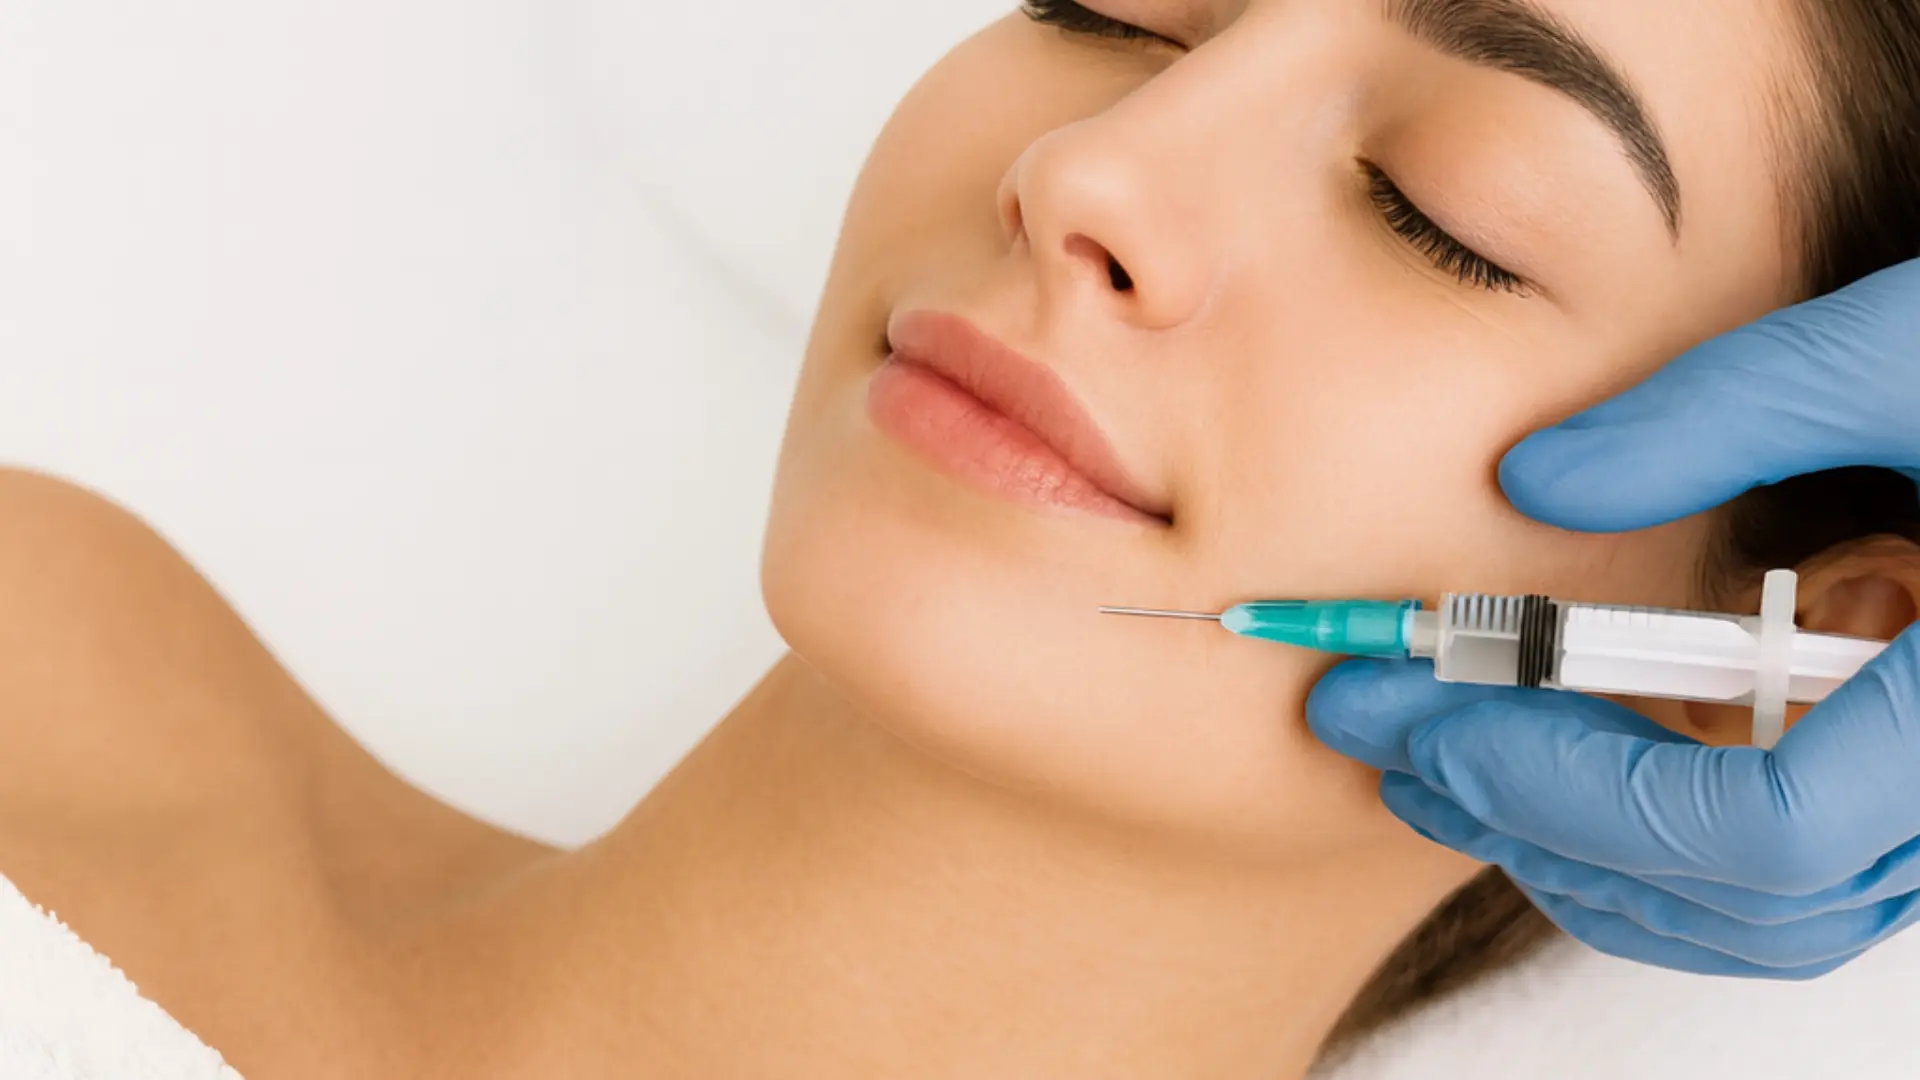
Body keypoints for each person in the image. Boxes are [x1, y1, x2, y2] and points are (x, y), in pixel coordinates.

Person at [2, 1, 1918, 1077]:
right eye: (1124, 11)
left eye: (1442, 213)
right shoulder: (47, 650)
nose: (1089, 170)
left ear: (1805, 652)